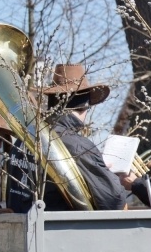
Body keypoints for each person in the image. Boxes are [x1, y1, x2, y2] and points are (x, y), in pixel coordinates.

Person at [7, 64, 127, 212]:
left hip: (22, 223)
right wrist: (108, 176)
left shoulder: (23, 139)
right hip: (57, 226)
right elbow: (114, 202)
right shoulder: (78, 146)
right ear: (84, 107)